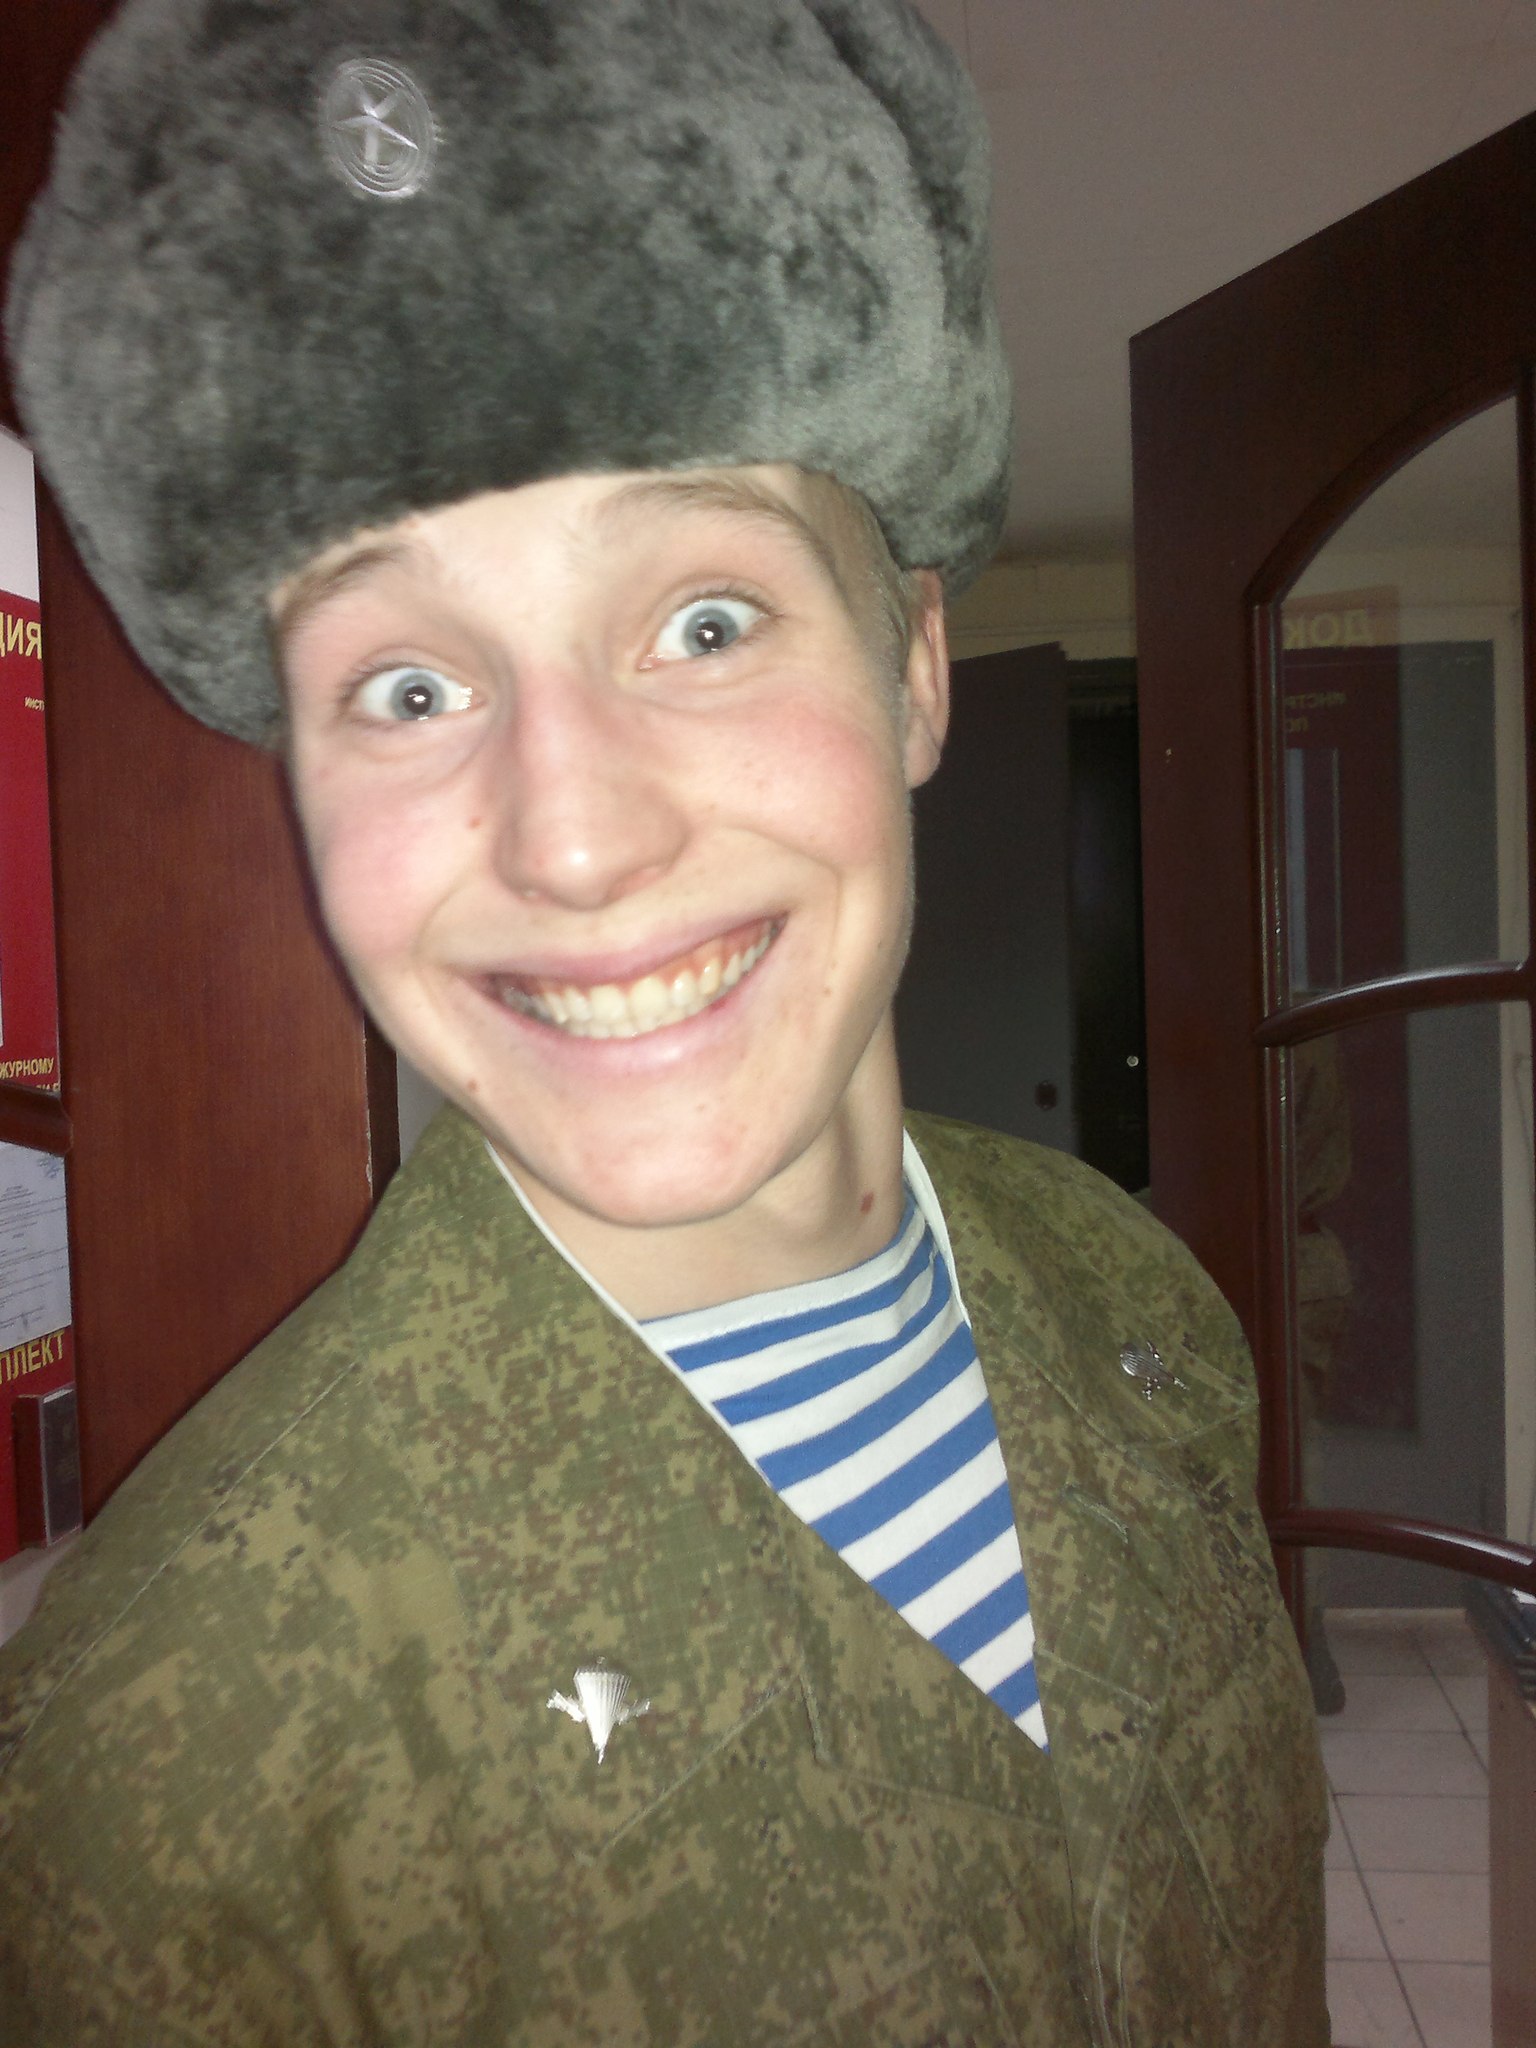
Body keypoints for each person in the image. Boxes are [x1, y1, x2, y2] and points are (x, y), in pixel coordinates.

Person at [0, 2, 1329, 2042]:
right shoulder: (164, 1763)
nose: (574, 836)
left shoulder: (1139, 1307)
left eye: (705, 622)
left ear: (915, 665)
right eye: (408, 687)